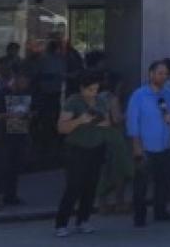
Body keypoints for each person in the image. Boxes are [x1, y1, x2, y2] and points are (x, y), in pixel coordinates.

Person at [54, 72, 110, 237]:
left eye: (96, 89)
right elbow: (61, 127)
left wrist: (96, 119)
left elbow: (107, 122)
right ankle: (61, 223)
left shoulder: (100, 101)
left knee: (91, 187)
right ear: (82, 88)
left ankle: (83, 220)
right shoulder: (73, 101)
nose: (93, 93)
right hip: (76, 150)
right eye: (90, 90)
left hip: (96, 148)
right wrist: (80, 120)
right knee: (74, 187)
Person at [126, 60, 170, 227]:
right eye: (160, 73)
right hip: (146, 146)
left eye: (166, 74)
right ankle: (139, 216)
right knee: (141, 182)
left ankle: (160, 211)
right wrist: (136, 146)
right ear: (151, 74)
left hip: (166, 145)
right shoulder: (139, 95)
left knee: (163, 181)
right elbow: (132, 122)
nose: (163, 77)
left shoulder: (169, 94)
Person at [0, 70, 32, 211]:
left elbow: (25, 113)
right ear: (16, 79)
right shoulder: (0, 94)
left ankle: (10, 196)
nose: (26, 84)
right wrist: (10, 115)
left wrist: (27, 116)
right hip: (3, 136)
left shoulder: (23, 94)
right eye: (24, 81)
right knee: (0, 169)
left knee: (14, 167)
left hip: (18, 133)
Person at [96, 72, 132, 217]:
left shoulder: (98, 97)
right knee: (119, 172)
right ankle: (119, 202)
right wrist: (127, 114)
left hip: (99, 137)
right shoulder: (113, 99)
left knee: (103, 172)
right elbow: (117, 119)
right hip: (113, 137)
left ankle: (102, 204)